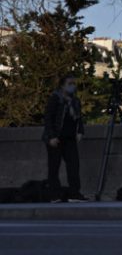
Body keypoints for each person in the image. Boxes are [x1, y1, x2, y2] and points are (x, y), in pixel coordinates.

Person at [42, 74, 88, 202]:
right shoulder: (55, 99)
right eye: (70, 84)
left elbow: (79, 118)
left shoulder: (75, 101)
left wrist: (80, 131)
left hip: (69, 138)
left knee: (74, 166)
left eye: (74, 84)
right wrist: (51, 136)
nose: (73, 86)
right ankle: (54, 194)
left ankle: (74, 193)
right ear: (62, 85)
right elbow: (48, 118)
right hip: (56, 137)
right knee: (54, 167)